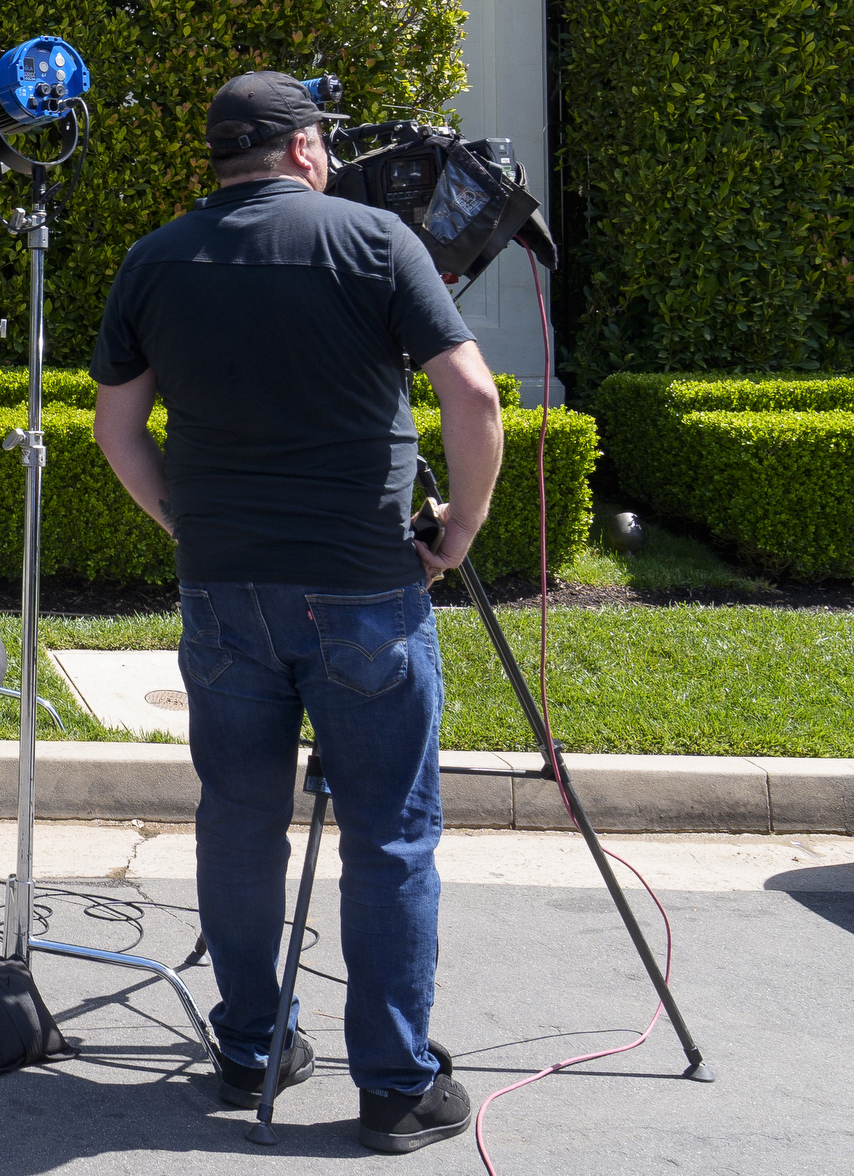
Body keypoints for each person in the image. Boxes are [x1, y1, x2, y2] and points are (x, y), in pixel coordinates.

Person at [87, 70, 505, 1156]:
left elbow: (117, 429)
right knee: (390, 837)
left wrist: (183, 518)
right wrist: (456, 531)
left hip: (225, 591)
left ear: (225, 158)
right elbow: (474, 393)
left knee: (237, 821)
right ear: (307, 148)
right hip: (367, 585)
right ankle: (396, 1085)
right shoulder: (374, 240)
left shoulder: (154, 257)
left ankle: (250, 1044)